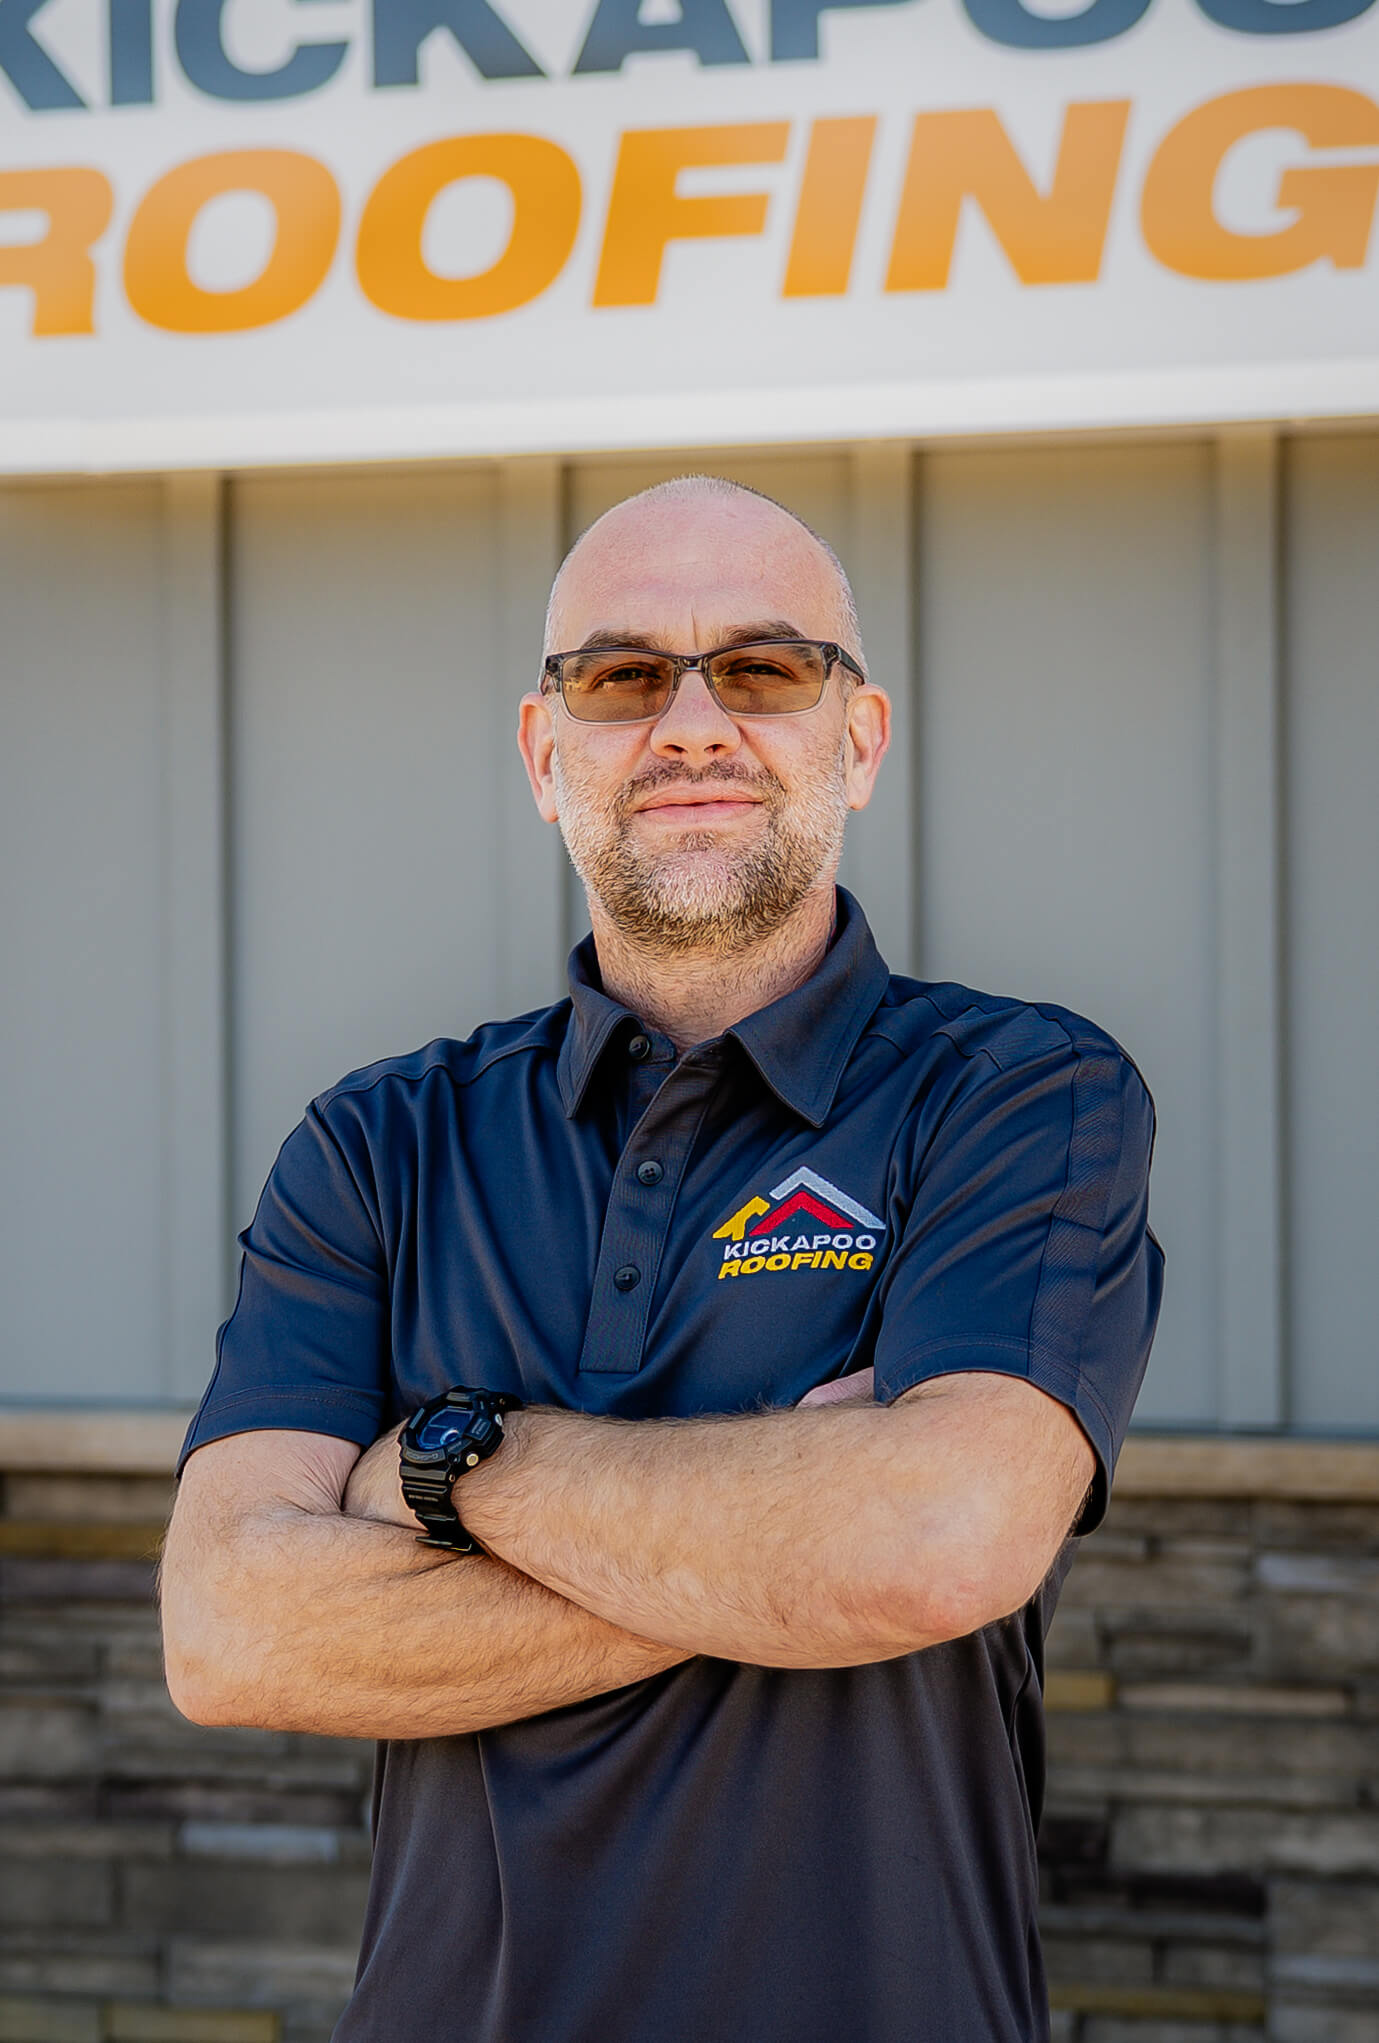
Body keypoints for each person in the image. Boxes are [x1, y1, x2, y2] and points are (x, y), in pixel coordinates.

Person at [161, 474, 1163, 2043]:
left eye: (762, 669)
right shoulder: (379, 1146)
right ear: (544, 756)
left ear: (862, 736)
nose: (692, 724)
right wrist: (794, 1548)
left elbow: (940, 1544)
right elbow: (228, 1632)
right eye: (625, 677)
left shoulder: (1020, 1096)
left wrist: (448, 1467)